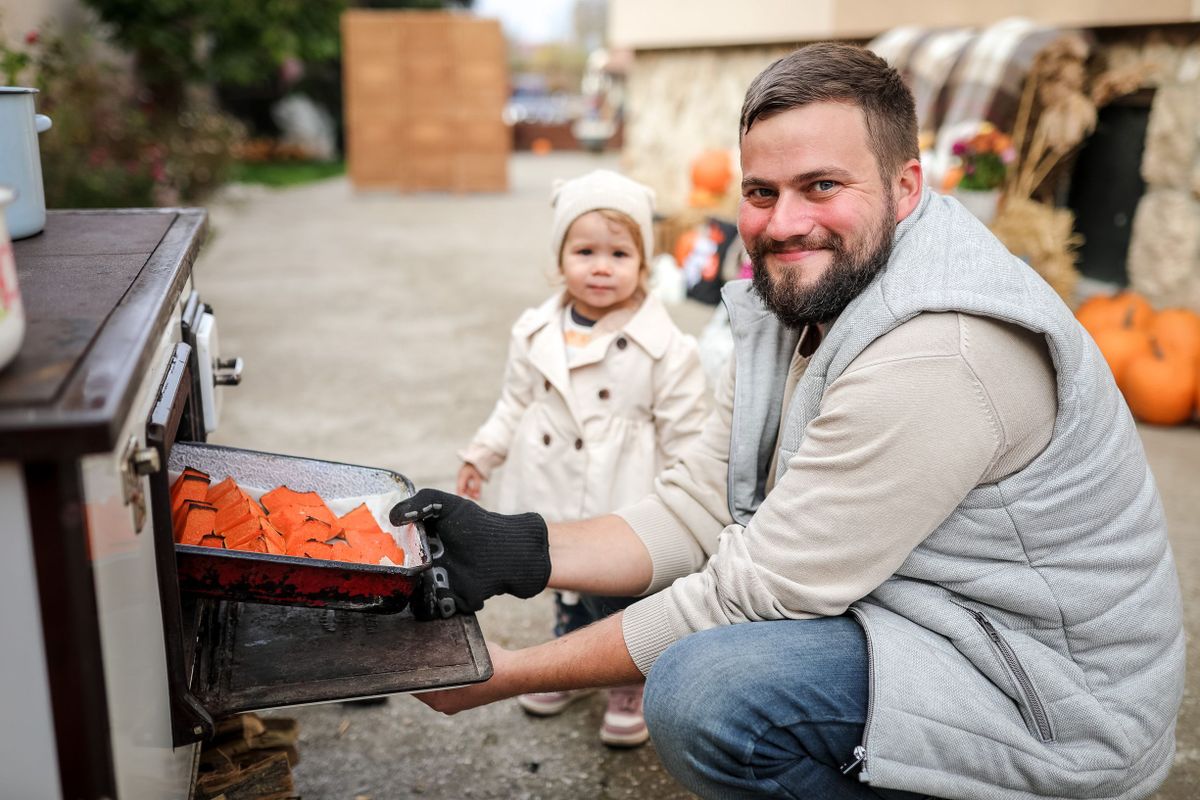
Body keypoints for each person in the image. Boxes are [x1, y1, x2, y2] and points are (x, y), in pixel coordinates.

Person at [393, 43, 1185, 799]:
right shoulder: (805, 290)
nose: (783, 223)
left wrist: (505, 674)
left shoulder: (940, 352)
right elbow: (700, 503)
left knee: (708, 692)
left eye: (822, 186)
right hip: (926, 614)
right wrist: (510, 547)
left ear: (907, 186)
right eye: (761, 191)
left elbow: (752, 593)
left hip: (1045, 697)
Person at [453, 168, 709, 747]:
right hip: (552, 477)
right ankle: (565, 662)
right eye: (585, 250)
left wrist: (684, 503)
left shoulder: (666, 346)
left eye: (619, 253)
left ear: (643, 265)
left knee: (619, 590)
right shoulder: (536, 331)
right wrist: (483, 454)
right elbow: (514, 402)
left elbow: (688, 432)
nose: (601, 266)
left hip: (626, 486)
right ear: (559, 258)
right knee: (563, 577)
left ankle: (628, 678)